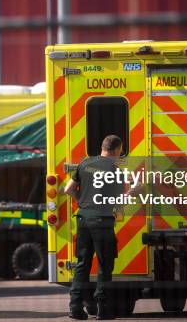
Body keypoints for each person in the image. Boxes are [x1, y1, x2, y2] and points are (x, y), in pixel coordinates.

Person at [62, 135, 126, 320]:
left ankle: (75, 307)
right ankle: (103, 309)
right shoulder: (115, 169)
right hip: (102, 221)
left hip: (83, 218)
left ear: (103, 147)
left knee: (82, 263)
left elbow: (68, 189)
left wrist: (81, 202)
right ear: (117, 150)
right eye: (120, 152)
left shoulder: (85, 163)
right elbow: (119, 199)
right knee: (104, 264)